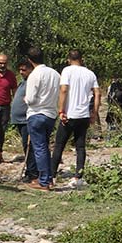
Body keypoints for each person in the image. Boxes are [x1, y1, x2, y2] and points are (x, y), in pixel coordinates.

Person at [50, 50, 101, 189]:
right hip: (83, 115)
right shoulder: (90, 73)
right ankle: (78, 176)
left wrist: (61, 110)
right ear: (81, 59)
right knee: (80, 146)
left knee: (59, 145)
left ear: (68, 59)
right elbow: (97, 93)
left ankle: (51, 176)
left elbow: (64, 89)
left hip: (70, 114)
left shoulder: (67, 71)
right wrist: (94, 113)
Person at [23, 48, 60, 191]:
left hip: (36, 113)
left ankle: (44, 181)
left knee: (39, 148)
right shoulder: (55, 74)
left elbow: (31, 99)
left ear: (29, 59)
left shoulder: (34, 75)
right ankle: (48, 178)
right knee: (45, 147)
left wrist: (26, 99)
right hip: (50, 114)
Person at [10, 60, 38, 183]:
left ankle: (32, 173)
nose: (21, 72)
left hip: (26, 120)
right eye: (20, 70)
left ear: (31, 69)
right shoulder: (23, 82)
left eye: (24, 70)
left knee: (29, 147)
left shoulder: (32, 82)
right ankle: (31, 170)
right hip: (19, 120)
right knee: (25, 146)